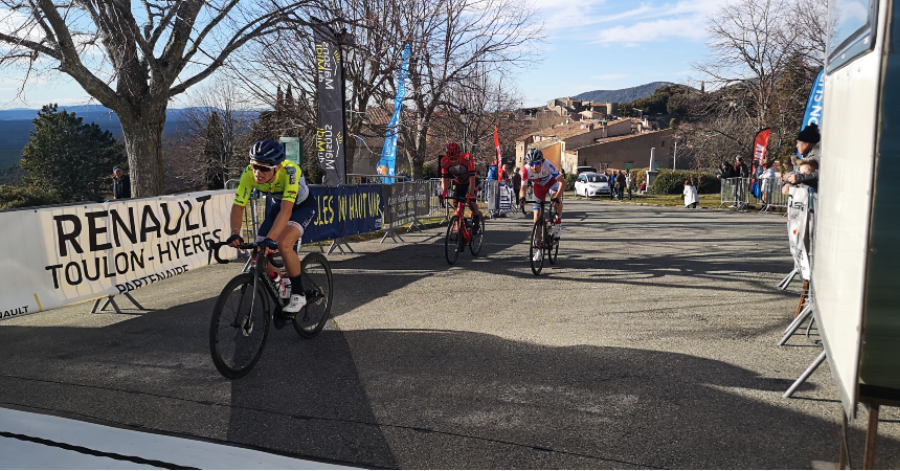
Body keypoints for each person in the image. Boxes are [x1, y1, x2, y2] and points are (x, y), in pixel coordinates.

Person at [227, 140, 317, 315]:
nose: (258, 173)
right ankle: (283, 281)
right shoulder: (248, 174)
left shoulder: (290, 171)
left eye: (264, 168)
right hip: (279, 206)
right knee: (258, 253)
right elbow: (238, 206)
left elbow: (287, 210)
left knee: (283, 244)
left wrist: (270, 239)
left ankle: (299, 295)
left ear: (277, 167)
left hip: (302, 207)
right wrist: (235, 233)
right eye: (254, 166)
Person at [518, 149, 565, 262]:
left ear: (541, 161)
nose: (534, 167)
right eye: (531, 164)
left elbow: (563, 183)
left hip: (551, 184)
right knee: (536, 218)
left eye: (537, 163)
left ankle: (558, 222)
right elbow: (523, 188)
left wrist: (557, 197)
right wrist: (522, 198)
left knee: (555, 197)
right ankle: (539, 249)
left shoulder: (548, 165)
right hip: (539, 188)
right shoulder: (525, 170)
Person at [440, 142, 484, 232]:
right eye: (451, 159)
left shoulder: (467, 158)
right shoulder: (444, 161)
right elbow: (444, 180)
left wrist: (471, 194)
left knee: (470, 200)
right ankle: (462, 228)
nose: (453, 161)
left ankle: (476, 216)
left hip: (472, 181)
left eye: (455, 158)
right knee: (457, 205)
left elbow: (472, 177)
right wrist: (443, 194)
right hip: (459, 183)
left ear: (459, 155)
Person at [787, 124, 821, 189]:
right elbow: (798, 172)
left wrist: (799, 178)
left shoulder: (819, 153)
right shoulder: (811, 154)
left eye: (798, 142)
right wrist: (788, 182)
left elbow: (822, 175)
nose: (797, 146)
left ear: (806, 143)